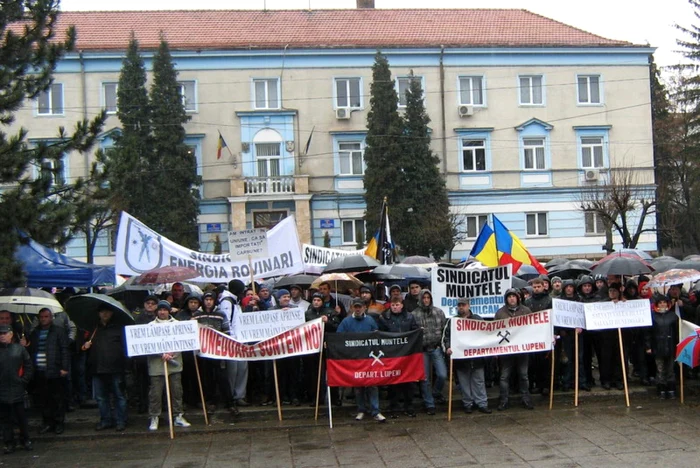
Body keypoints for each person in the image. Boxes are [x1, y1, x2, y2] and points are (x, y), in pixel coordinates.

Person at [337, 298, 386, 423]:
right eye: (356, 307)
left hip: (369, 358)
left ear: (364, 307)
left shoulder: (370, 320)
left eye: (360, 307)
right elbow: (339, 337)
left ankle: (375, 410)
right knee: (358, 386)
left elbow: (376, 336)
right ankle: (361, 409)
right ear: (352, 308)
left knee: (372, 384)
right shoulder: (346, 322)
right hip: (355, 358)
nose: (358, 309)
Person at [147, 301, 191, 431]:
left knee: (176, 391)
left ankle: (178, 416)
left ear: (168, 311)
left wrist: (172, 353)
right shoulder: (150, 326)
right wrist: (160, 353)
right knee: (155, 393)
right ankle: (154, 416)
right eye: (160, 310)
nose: (162, 312)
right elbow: (146, 344)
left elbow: (183, 341)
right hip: (156, 365)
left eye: (165, 310)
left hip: (174, 363)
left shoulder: (177, 325)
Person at [443, 298, 491, 414]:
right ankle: (467, 403)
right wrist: (448, 347)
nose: (461, 307)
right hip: (461, 358)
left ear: (468, 306)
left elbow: (486, 334)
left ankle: (482, 403)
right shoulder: (452, 321)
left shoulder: (477, 319)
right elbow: (446, 337)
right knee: (464, 383)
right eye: (459, 305)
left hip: (476, 357)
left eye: (463, 305)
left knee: (479, 381)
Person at [82, 308, 127, 432]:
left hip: (116, 368)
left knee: (119, 396)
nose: (105, 314)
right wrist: (85, 345)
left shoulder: (119, 328)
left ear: (112, 313)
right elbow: (80, 345)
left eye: (107, 311)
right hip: (97, 368)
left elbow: (125, 348)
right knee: (101, 398)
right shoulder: (93, 330)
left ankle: (120, 420)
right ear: (98, 314)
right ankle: (105, 420)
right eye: (102, 312)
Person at [29, 308, 70, 434]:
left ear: (51, 317)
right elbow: (31, 350)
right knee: (43, 399)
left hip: (54, 369)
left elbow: (64, 350)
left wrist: (64, 367)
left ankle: (58, 422)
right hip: (39, 369)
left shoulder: (58, 331)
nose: (44, 319)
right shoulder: (35, 332)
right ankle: (47, 422)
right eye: (41, 317)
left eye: (46, 316)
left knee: (57, 398)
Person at [378, 296, 419, 417]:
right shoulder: (384, 317)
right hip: (392, 353)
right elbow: (381, 333)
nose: (395, 307)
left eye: (397, 305)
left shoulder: (410, 317)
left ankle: (409, 405)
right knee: (393, 380)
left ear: (402, 305)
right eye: (393, 305)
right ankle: (394, 406)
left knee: (409, 380)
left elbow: (414, 330)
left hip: (407, 353)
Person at [495, 289, 534, 411]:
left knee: (523, 375)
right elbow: (494, 331)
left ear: (518, 298)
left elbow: (534, 327)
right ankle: (504, 400)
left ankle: (526, 399)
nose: (512, 298)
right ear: (506, 299)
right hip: (506, 351)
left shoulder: (526, 311)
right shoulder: (500, 313)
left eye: (514, 296)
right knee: (504, 376)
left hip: (522, 350)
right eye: (509, 296)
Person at [304, 292, 345, 406]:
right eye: (314, 300)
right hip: (313, 347)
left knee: (331, 372)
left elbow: (337, 327)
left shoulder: (330, 312)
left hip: (328, 345)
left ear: (322, 302)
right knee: (315, 374)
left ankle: (334, 397)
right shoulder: (307, 314)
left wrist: (328, 322)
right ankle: (316, 398)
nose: (316, 302)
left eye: (318, 300)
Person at [411, 289, 448, 415]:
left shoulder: (438, 312)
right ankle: (429, 403)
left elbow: (445, 329)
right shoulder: (414, 314)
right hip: (423, 350)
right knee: (425, 378)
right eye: (424, 298)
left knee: (442, 374)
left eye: (428, 298)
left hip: (436, 347)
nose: (426, 300)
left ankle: (435, 393)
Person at [193, 292, 230, 411]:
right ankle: (210, 400)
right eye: (206, 299)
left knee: (222, 376)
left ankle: (229, 401)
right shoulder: (197, 315)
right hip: (203, 352)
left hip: (217, 351)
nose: (208, 302)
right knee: (207, 377)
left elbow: (226, 331)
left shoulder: (220, 314)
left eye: (211, 299)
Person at [0, 324, 34, 454]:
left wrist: (23, 380)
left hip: (17, 388)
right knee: (5, 419)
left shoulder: (19, 349)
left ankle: (25, 439)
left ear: (11, 335)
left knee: (21, 418)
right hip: (2, 389)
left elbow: (28, 366)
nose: (2, 336)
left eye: (4, 333)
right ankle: (9, 442)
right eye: (0, 334)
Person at [217, 281, 249, 409]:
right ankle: (231, 396)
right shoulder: (227, 301)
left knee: (242, 368)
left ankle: (240, 395)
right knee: (233, 370)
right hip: (232, 341)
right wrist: (230, 339)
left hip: (241, 340)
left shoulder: (235, 301)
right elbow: (227, 321)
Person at [645, 296, 678, 399]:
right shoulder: (653, 316)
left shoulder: (673, 316)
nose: (662, 304)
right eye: (660, 303)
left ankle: (671, 388)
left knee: (670, 369)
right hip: (658, 345)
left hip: (671, 345)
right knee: (660, 368)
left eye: (664, 302)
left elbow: (677, 332)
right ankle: (661, 388)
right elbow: (648, 333)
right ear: (657, 304)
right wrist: (648, 346)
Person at [524, 277, 552, 396]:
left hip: (545, 333)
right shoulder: (528, 302)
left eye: (538, 287)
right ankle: (537, 384)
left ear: (543, 286)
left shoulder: (549, 300)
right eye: (534, 287)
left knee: (545, 361)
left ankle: (546, 385)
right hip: (532, 334)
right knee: (533, 362)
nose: (536, 289)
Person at [134, 295, 159, 414]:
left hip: (156, 357)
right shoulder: (137, 319)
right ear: (144, 305)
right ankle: (143, 404)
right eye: (148, 303)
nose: (150, 305)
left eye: (153, 303)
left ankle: (157, 405)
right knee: (142, 382)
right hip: (141, 357)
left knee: (155, 383)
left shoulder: (159, 318)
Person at [599, 283, 624, 390]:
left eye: (614, 291)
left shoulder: (623, 302)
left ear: (619, 292)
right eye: (610, 291)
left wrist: (622, 303)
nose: (612, 293)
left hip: (619, 335)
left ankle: (618, 380)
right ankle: (606, 380)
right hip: (606, 336)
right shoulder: (604, 302)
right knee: (606, 359)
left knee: (618, 358)